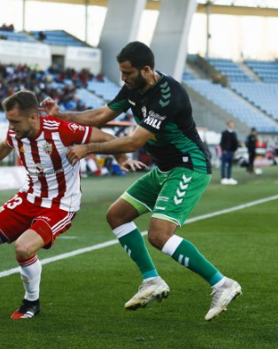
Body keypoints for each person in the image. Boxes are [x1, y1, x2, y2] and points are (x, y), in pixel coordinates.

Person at [41, 41, 241, 321]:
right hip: (165, 168)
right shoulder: (134, 87)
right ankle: (151, 280)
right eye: (122, 73)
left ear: (146, 70)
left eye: (127, 73)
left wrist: (88, 149)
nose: (123, 79)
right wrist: (62, 115)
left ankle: (222, 284)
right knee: (117, 215)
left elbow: (135, 140)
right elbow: (103, 114)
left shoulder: (168, 95)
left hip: (189, 166)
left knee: (159, 235)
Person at [0, 90, 132, 319]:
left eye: (15, 121)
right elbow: (4, 145)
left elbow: (107, 138)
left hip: (61, 204)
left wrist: (122, 158)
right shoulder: (16, 131)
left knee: (23, 247)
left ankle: (31, 301)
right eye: (8, 121)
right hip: (29, 196)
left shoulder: (61, 130)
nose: (11, 126)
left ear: (33, 117)